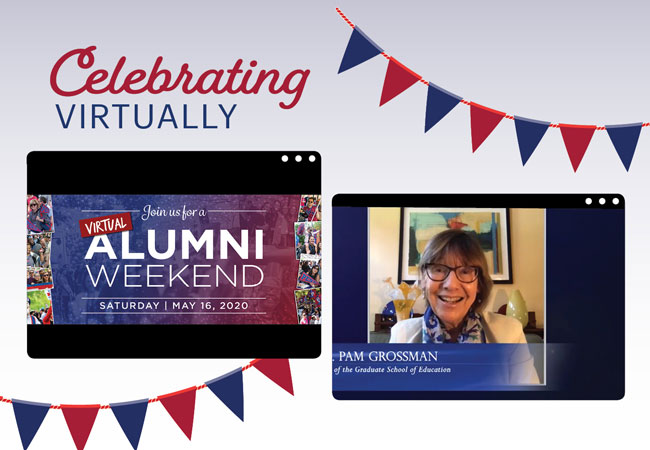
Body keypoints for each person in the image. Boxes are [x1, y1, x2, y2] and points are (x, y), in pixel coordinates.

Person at [389, 229, 538, 382]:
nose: (451, 285)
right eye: (439, 269)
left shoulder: (509, 333)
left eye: (466, 271)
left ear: (478, 284)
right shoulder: (401, 335)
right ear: (424, 280)